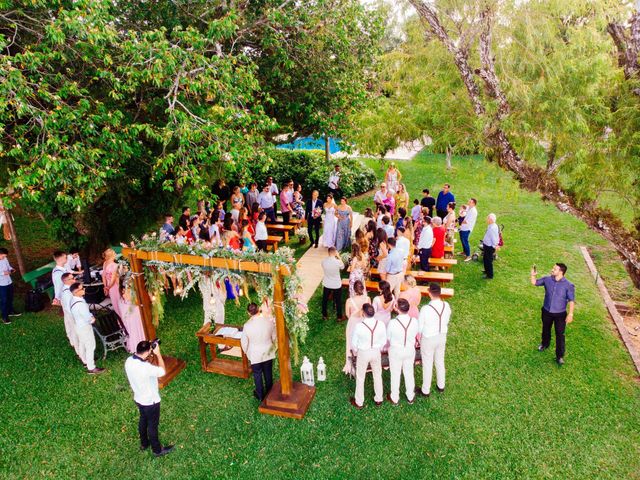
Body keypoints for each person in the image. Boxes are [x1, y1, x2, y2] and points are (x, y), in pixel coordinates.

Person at [124, 340, 174, 457]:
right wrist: (158, 354)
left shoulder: (129, 361)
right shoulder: (145, 367)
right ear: (147, 352)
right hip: (151, 401)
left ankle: (144, 443)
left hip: (139, 398)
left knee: (143, 420)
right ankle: (157, 450)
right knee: (152, 425)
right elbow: (162, 371)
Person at [530, 263, 575, 365]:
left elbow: (571, 300)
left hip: (560, 314)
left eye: (554, 269)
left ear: (561, 272)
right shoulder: (547, 279)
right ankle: (545, 344)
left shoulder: (568, 285)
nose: (552, 270)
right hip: (546, 311)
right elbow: (534, 283)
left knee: (560, 334)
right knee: (546, 329)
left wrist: (570, 314)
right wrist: (533, 275)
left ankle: (559, 356)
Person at [417, 283, 451, 397]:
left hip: (429, 338)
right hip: (442, 336)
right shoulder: (446, 305)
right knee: (440, 361)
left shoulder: (425, 309)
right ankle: (441, 385)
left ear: (430, 293)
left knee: (427, 364)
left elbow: (419, 327)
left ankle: (425, 390)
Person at [350, 303, 386, 409]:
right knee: (377, 375)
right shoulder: (381, 324)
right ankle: (379, 398)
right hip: (376, 352)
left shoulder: (359, 326)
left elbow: (354, 344)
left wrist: (357, 351)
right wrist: (378, 347)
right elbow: (383, 341)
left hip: (363, 353)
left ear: (363, 313)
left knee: (361, 377)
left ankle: (359, 402)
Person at [387, 298, 420, 405]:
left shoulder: (392, 323)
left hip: (396, 351)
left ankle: (394, 397)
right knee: (409, 373)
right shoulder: (414, 321)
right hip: (410, 350)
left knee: (395, 374)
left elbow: (388, 337)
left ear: (397, 309)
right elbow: (416, 333)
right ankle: (410, 396)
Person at [241, 303, 277, 401]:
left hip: (255, 354)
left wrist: (247, 352)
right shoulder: (268, 321)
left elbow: (244, 342)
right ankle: (270, 392)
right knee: (268, 372)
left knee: (257, 374)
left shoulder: (247, 326)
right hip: (268, 352)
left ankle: (260, 394)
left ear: (248, 313)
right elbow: (274, 336)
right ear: (258, 309)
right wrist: (273, 347)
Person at [69, 282, 105, 374]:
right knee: (90, 346)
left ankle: (84, 360)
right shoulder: (80, 304)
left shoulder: (73, 300)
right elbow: (87, 317)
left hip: (78, 326)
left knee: (82, 343)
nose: (84, 289)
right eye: (82, 288)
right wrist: (92, 319)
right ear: (76, 292)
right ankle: (91, 367)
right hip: (84, 327)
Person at [343, 281, 369, 375]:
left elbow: (347, 314)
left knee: (350, 342)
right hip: (363, 322)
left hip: (353, 323)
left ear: (353, 290)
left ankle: (350, 363)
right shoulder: (367, 299)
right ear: (363, 289)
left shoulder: (349, 301)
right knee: (363, 341)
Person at [119, 282, 146, 354]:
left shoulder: (129, 298)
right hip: (131, 319)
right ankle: (137, 344)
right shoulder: (123, 301)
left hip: (133, 317)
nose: (124, 294)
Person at [60, 273, 81, 360]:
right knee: (76, 335)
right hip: (73, 316)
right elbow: (69, 308)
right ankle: (81, 355)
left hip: (72, 315)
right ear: (65, 281)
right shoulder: (67, 293)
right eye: (72, 279)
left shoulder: (69, 289)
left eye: (74, 278)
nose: (74, 280)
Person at [321, 247, 345, 321]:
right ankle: (339, 317)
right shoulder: (338, 262)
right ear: (335, 252)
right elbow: (343, 267)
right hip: (336, 284)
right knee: (338, 300)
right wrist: (339, 257)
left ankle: (324, 315)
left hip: (327, 283)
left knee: (324, 299)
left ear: (328, 252)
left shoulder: (323, 261)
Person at [0, 247, 21, 324]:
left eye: (5, 256)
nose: (4, 257)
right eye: (3, 256)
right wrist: (3, 273)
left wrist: (12, 269)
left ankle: (10, 311)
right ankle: (4, 316)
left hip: (9, 281)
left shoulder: (5, 259)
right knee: (4, 300)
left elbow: (8, 266)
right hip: (1, 284)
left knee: (10, 297)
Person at [102, 248, 122, 318]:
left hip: (108, 285)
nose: (116, 254)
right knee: (119, 302)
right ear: (112, 255)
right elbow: (113, 279)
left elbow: (103, 276)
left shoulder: (105, 263)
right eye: (114, 253)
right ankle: (122, 318)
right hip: (114, 286)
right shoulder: (115, 265)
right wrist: (108, 287)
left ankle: (119, 319)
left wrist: (105, 286)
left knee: (114, 302)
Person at [481, 213, 499, 279]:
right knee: (485, 259)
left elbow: (494, 238)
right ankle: (486, 270)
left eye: (487, 218)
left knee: (488, 261)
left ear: (491, 220)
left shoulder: (492, 228)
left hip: (489, 247)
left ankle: (490, 275)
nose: (486, 219)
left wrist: (495, 246)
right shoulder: (491, 225)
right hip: (486, 245)